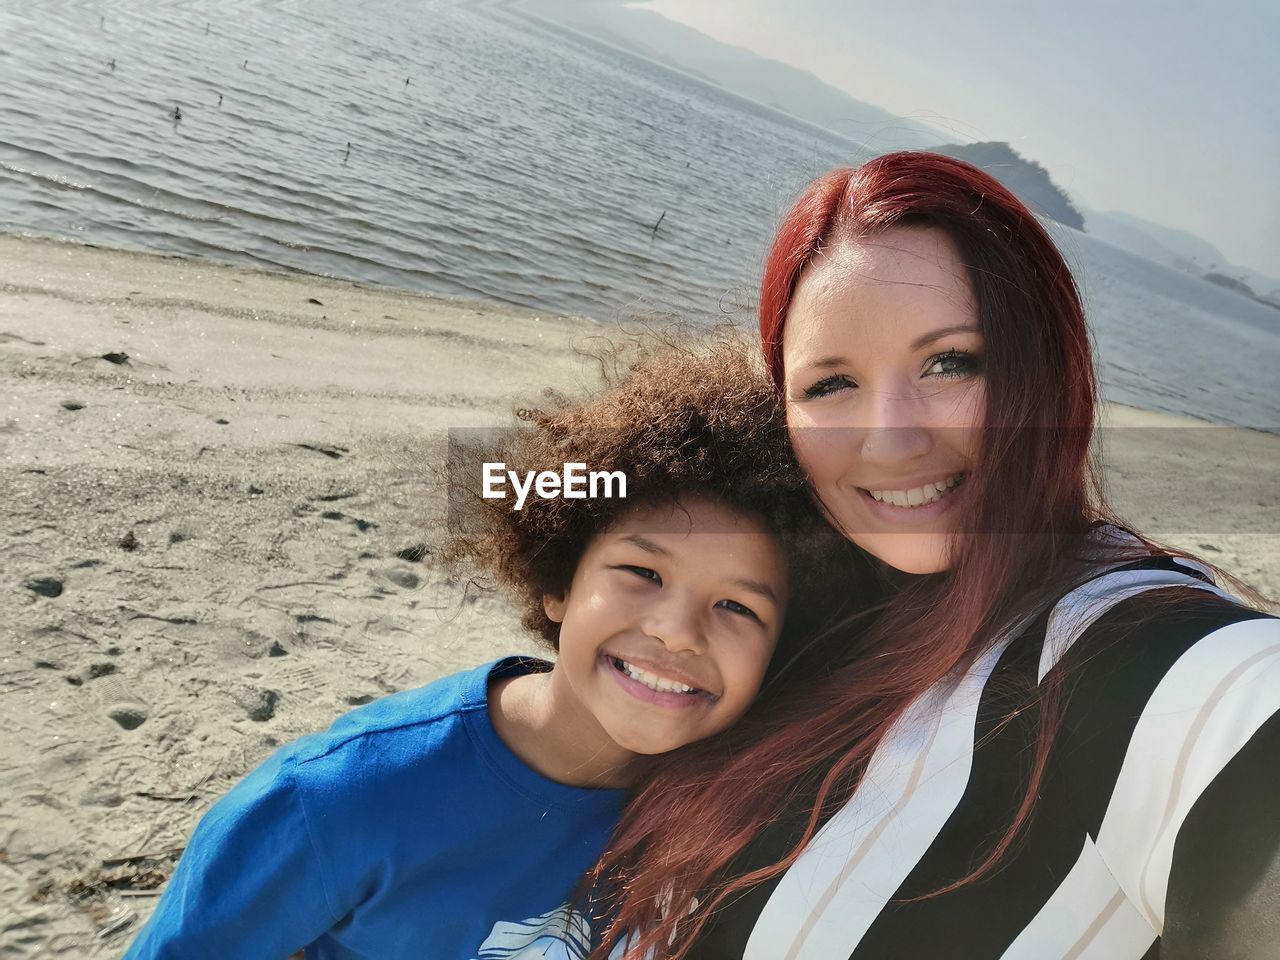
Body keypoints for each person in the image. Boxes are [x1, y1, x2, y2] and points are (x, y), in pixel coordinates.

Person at [585, 153, 1280, 959]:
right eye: (830, 385)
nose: (891, 442)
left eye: (950, 363)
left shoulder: (1137, 659)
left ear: (1045, 371)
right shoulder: (791, 599)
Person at [122, 336, 868, 960]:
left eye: (738, 606)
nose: (677, 629)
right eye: (642, 572)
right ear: (557, 581)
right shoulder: (336, 801)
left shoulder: (740, 805)